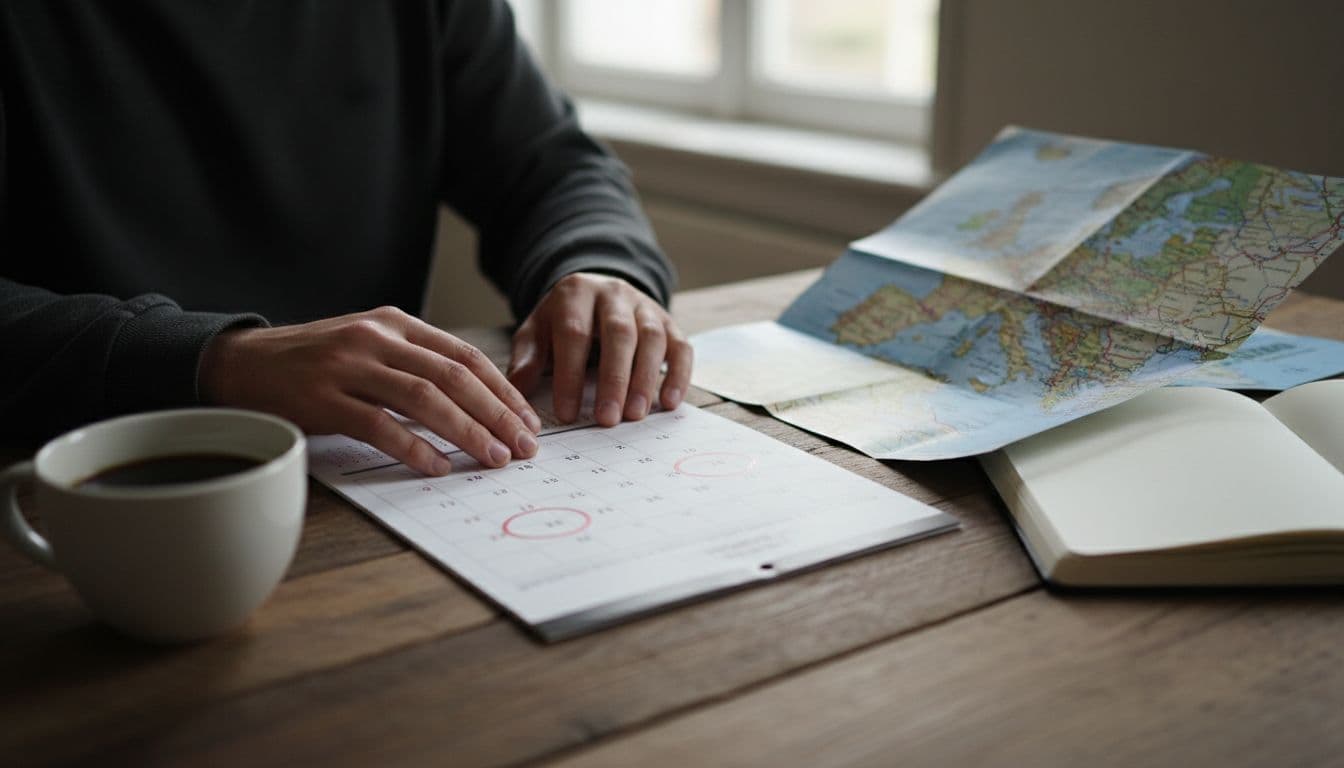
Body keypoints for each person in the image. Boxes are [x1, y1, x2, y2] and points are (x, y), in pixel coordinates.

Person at [0, 1, 692, 476]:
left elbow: (553, 165)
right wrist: (214, 361)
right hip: (72, 494)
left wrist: (601, 265)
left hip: (376, 481)